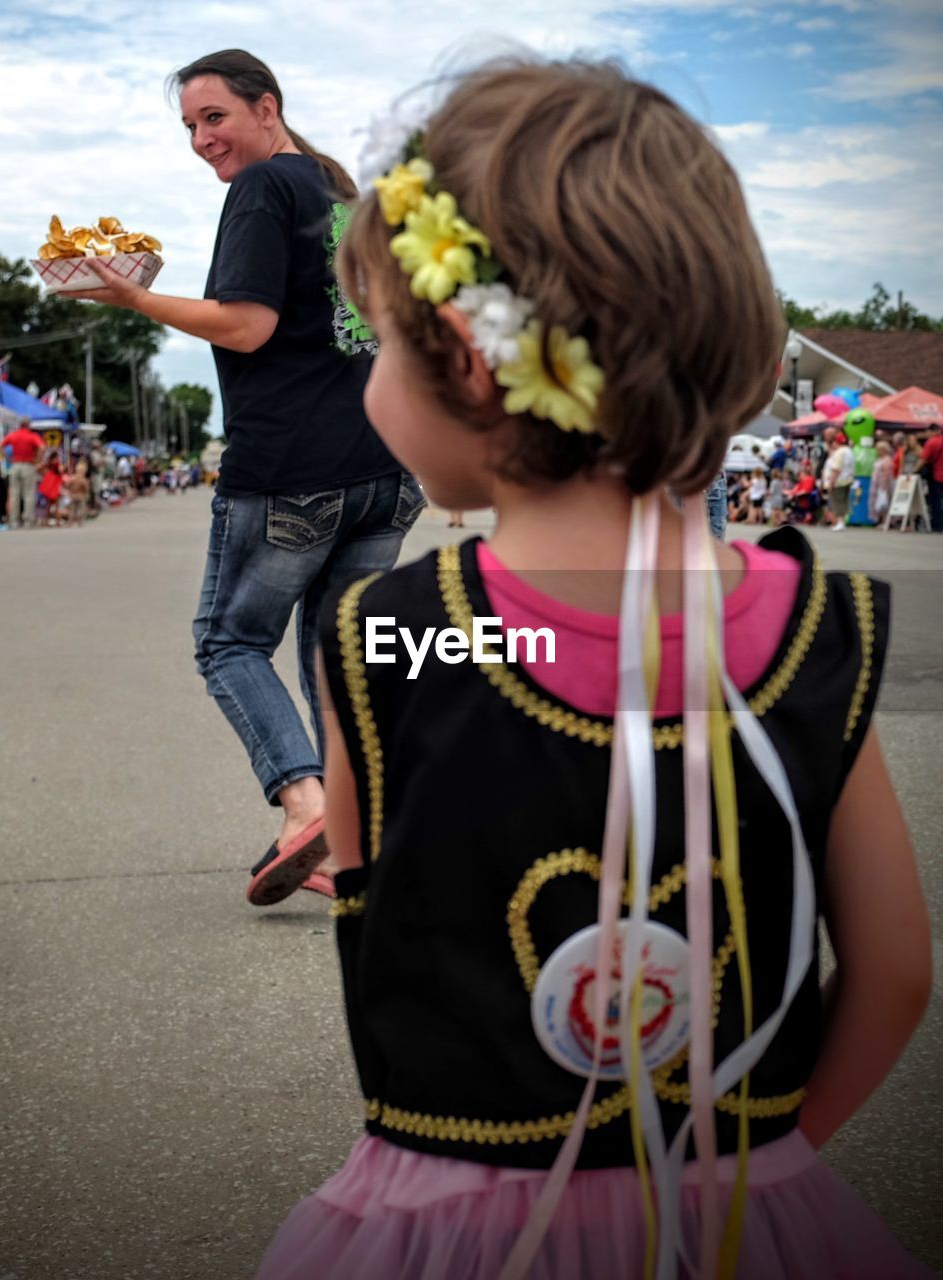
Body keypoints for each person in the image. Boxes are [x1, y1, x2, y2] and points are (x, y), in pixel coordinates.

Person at [254, 60, 932, 1280]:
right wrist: (762, 1162)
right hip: (742, 1209)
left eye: (379, 345)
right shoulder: (808, 627)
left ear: (466, 354)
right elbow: (892, 969)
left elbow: (380, 925)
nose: (366, 378)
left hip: (454, 1225)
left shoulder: (391, 638)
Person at [66, 50, 423, 906]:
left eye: (214, 117)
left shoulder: (262, 191)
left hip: (293, 470)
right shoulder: (343, 196)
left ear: (268, 108)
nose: (200, 139)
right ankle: (365, 835)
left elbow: (248, 326)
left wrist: (134, 300)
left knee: (229, 643)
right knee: (337, 657)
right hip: (384, 463)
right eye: (189, 126)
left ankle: (307, 810)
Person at [0, 418, 44, 528]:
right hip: (28, 465)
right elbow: (42, 447)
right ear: (28, 425)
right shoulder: (32, 436)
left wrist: (7, 458)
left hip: (15, 465)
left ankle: (14, 521)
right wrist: (37, 460)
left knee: (14, 494)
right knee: (29, 494)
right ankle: (28, 520)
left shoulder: (13, 435)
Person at [822, 432, 855, 530]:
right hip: (847, 480)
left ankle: (840, 522)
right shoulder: (849, 451)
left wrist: (831, 481)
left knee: (837, 502)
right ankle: (842, 521)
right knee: (843, 501)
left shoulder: (840, 452)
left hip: (838, 481)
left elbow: (836, 469)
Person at [921, 423, 943, 533]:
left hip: (937, 476)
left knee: (936, 501)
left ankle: (937, 525)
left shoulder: (932, 442)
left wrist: (915, 470)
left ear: (931, 431)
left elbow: (924, 459)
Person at [869, 440, 895, 525]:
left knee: (884, 502)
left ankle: (885, 521)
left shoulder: (887, 459)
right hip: (876, 483)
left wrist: (883, 485)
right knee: (878, 501)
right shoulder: (880, 459)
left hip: (883, 483)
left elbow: (887, 472)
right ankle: (880, 520)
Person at [66, 459, 91, 526]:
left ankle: (70, 522)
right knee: (80, 509)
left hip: (73, 495)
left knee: (72, 509)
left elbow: (68, 485)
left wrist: (70, 490)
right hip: (81, 496)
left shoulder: (73, 478)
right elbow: (86, 488)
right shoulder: (84, 480)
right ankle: (80, 521)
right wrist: (86, 493)